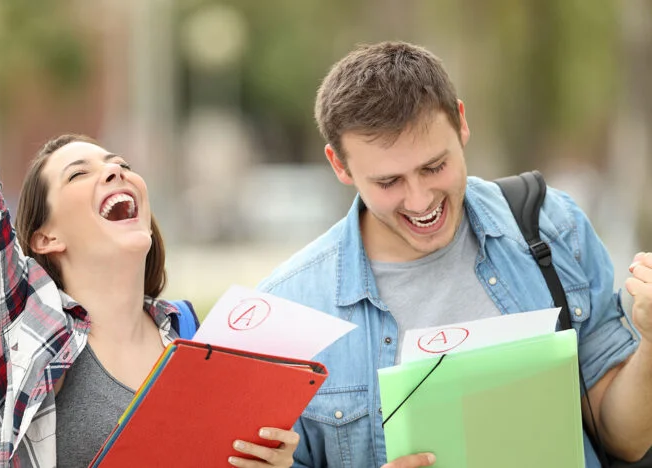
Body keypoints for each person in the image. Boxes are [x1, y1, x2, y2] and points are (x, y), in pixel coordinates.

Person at [0, 2, 299, 467]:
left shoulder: (191, 341)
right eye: (80, 174)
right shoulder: (17, 324)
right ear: (45, 238)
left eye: (121, 165)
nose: (115, 172)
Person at [257, 41, 652, 468]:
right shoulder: (288, 309)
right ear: (340, 165)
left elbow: (624, 440)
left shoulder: (553, 226)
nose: (420, 199)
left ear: (461, 123)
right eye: (389, 182)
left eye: (434, 167)